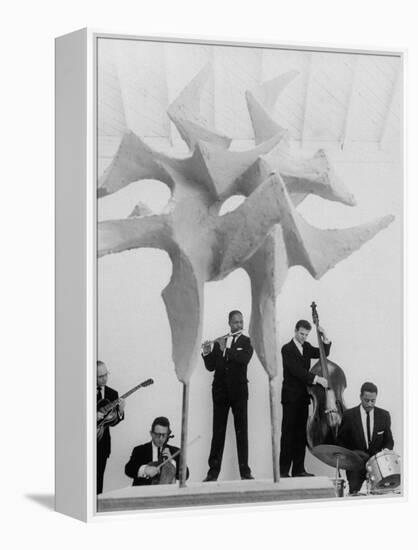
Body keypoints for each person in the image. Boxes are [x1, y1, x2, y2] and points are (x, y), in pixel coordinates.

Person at [201, 310, 254, 481]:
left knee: (242, 433)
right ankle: (212, 473)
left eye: (241, 322)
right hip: (220, 393)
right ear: (229, 323)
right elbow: (211, 367)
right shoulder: (220, 341)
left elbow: (244, 359)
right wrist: (207, 352)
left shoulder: (247, 342)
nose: (239, 325)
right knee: (218, 433)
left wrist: (226, 350)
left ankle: (245, 472)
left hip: (239, 394)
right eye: (235, 322)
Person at [279, 319, 330, 478]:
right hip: (290, 398)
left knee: (301, 434)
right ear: (295, 331)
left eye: (306, 335)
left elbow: (323, 354)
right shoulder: (286, 349)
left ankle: (298, 470)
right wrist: (317, 379)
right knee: (288, 435)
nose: (303, 337)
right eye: (301, 334)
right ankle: (283, 472)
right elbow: (297, 371)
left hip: (303, 398)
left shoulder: (306, 347)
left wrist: (324, 337)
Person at [337, 381, 394, 495]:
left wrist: (386, 451)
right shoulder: (349, 415)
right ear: (360, 397)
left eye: (373, 401)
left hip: (378, 467)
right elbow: (341, 441)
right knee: (355, 496)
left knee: (379, 499)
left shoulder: (384, 415)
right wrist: (348, 457)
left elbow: (389, 441)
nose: (369, 404)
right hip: (355, 467)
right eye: (366, 400)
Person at [125, 416, 188, 485]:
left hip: (165, 493)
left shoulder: (175, 451)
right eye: (158, 434)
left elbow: (186, 475)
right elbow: (128, 470)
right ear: (151, 434)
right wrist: (145, 470)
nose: (161, 438)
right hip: (143, 493)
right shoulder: (140, 450)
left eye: (164, 435)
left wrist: (172, 461)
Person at [97, 360, 125, 494]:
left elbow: (112, 423)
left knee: (98, 481)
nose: (104, 379)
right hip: (82, 444)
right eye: (100, 376)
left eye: (106, 374)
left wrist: (120, 411)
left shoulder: (113, 394)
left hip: (102, 444)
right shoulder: (82, 391)